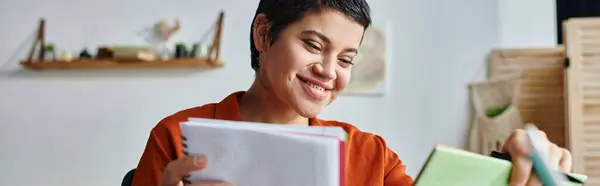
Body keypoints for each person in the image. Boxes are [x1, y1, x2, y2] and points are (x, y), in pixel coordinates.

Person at [131, 0, 573, 185]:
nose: (328, 72)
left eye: (346, 60)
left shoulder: (370, 157)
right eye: (313, 45)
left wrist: (509, 165)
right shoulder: (177, 139)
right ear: (264, 34)